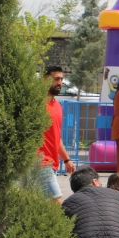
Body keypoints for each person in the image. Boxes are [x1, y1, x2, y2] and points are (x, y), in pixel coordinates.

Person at [38, 66, 75, 204]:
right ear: (44, 80)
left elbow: (55, 136)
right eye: (56, 79)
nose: (60, 82)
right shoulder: (35, 103)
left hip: (52, 164)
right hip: (40, 163)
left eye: (61, 79)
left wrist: (66, 159)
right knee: (57, 203)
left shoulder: (57, 106)